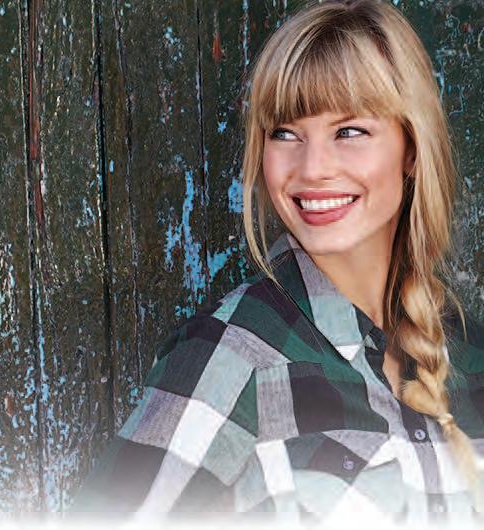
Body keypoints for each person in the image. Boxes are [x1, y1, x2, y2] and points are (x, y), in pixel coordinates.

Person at [70, 0, 484, 524]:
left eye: (349, 131)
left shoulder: (470, 357)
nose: (312, 168)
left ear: (411, 149)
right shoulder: (229, 359)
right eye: (284, 133)